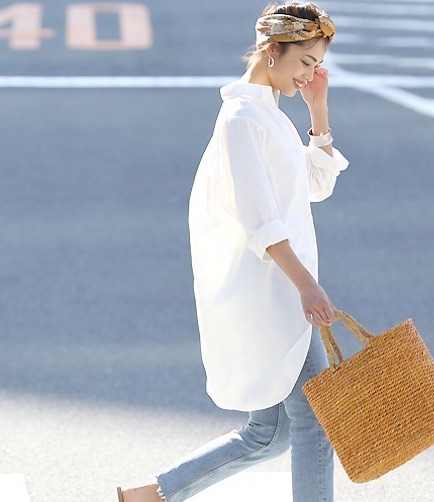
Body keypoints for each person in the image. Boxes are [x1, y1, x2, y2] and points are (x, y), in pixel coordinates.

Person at [117, 2, 349, 501]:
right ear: (272, 51)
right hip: (272, 294)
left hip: (283, 290)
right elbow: (259, 219)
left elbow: (317, 185)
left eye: (315, 65)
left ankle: (152, 496)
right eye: (305, 62)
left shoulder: (270, 114)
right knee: (316, 422)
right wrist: (308, 286)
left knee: (270, 433)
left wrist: (318, 111)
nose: (309, 74)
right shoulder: (243, 118)